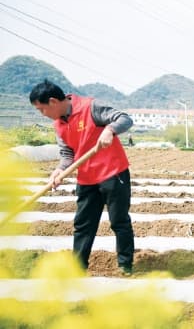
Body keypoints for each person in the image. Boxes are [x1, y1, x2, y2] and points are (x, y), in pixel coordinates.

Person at [29, 80, 135, 276]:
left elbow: (125, 118)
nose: (42, 114)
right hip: (86, 178)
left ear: (53, 101)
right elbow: (67, 153)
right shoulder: (59, 124)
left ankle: (125, 266)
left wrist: (109, 130)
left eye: (41, 110)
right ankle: (78, 268)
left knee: (119, 221)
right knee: (83, 224)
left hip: (113, 172)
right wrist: (59, 170)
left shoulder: (90, 107)